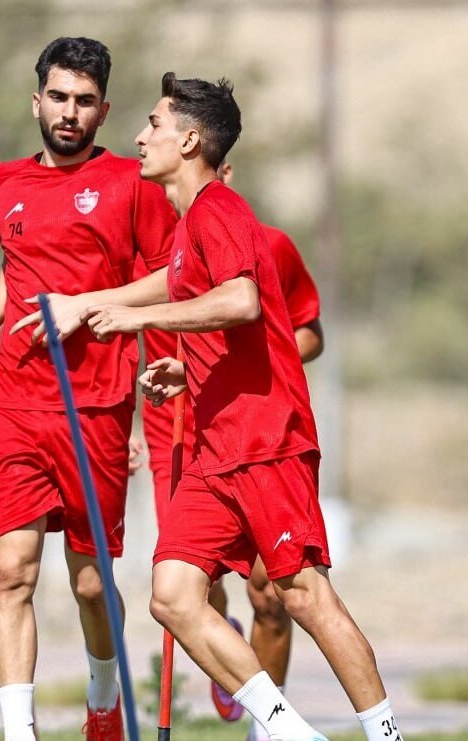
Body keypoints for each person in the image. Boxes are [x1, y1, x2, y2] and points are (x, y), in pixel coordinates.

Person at [15, 74, 402, 741]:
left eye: (154, 124)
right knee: (172, 596)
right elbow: (189, 297)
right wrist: (173, 357)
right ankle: (291, 732)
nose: (140, 137)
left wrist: (136, 320)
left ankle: (386, 734)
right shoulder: (190, 224)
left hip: (266, 441)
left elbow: (241, 301)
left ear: (190, 140)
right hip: (213, 450)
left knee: (304, 596)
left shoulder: (220, 210)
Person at [0, 37, 177, 741]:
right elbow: (18, 263)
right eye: (58, 97)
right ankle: (20, 731)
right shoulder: (3, 182)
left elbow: (171, 277)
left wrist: (92, 309)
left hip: (98, 403)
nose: (69, 112)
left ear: (103, 110)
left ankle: (103, 697)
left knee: (90, 583)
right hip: (17, 401)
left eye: (84, 101)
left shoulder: (134, 184)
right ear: (36, 101)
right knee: (11, 572)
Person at [131, 159, 324, 737]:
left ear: (224, 169)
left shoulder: (269, 246)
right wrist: (125, 429)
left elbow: (308, 332)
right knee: (191, 585)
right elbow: (114, 336)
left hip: (255, 431)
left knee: (272, 593)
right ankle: (226, 639)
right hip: (176, 435)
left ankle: (269, 730)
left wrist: (252, 359)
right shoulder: (149, 258)